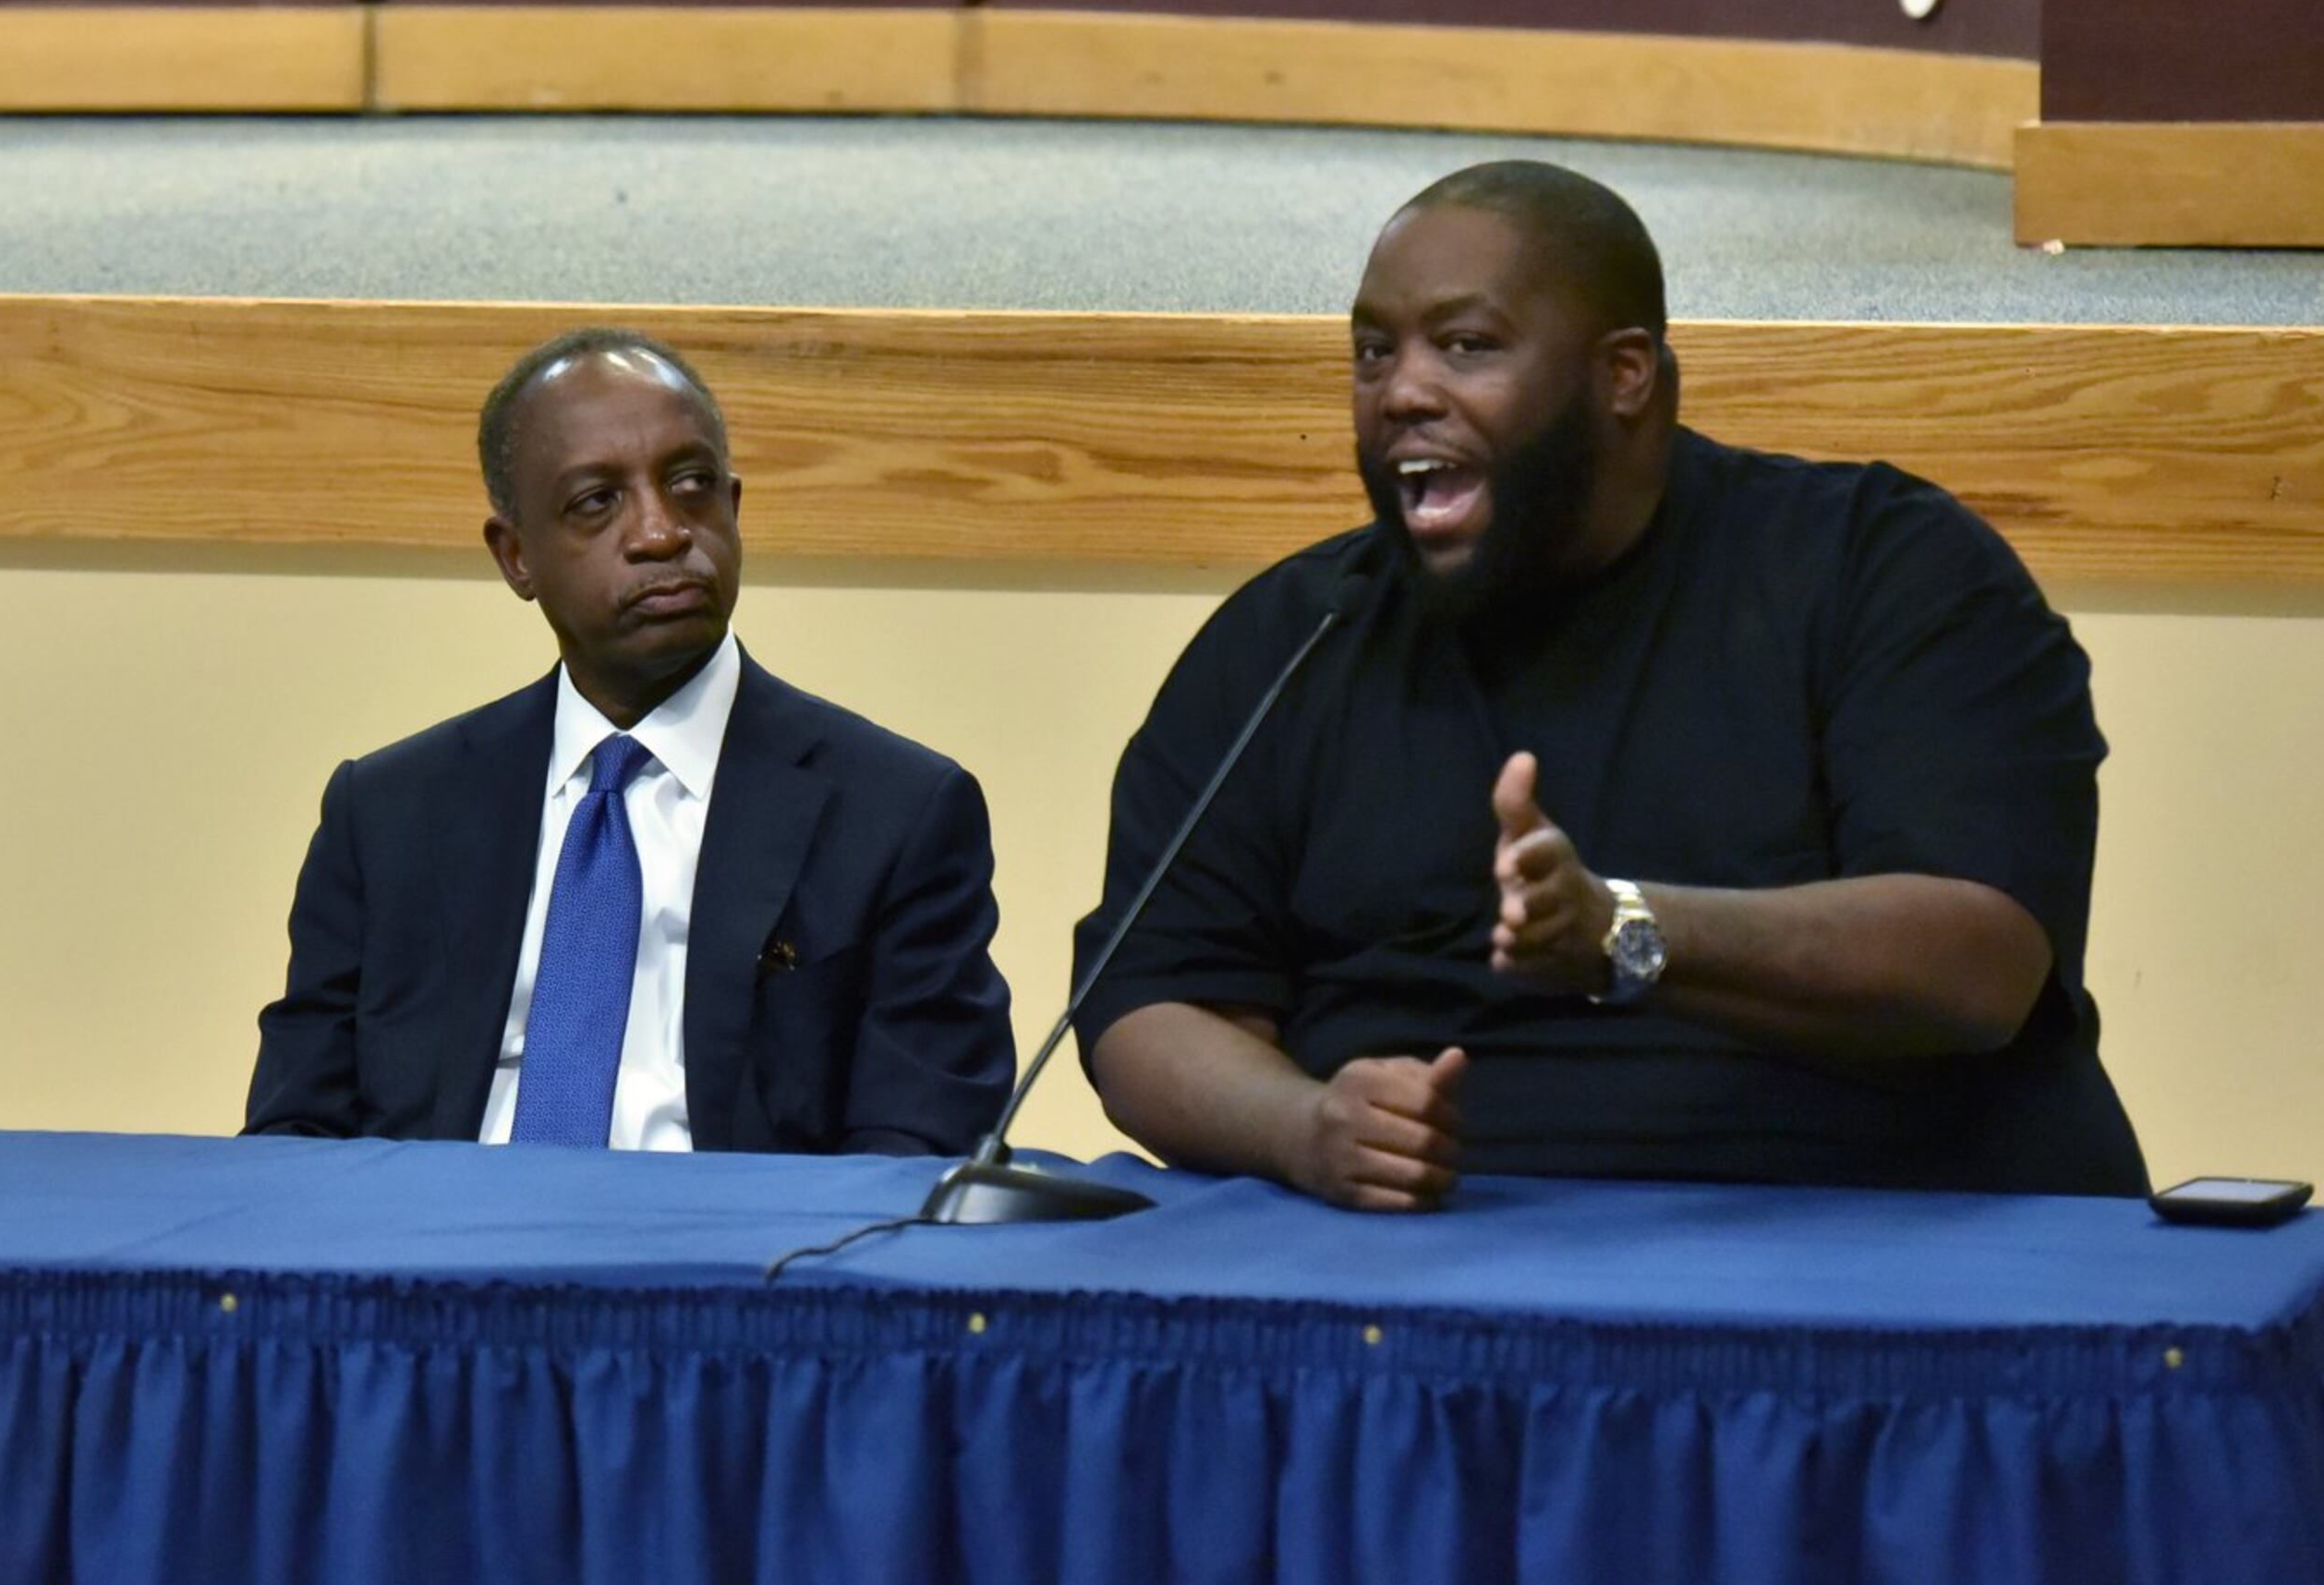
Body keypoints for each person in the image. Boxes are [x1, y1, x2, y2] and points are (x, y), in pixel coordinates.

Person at [1074, 161, 2147, 1205]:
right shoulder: (1297, 632)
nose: (1402, 389)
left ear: (1623, 372)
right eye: (1372, 351)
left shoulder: (1883, 569)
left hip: (1859, 1237)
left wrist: (1625, 930)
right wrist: (1306, 1129)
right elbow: (1149, 1000)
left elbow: (1977, 963)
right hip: (1412, 1273)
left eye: (1466, 345)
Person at [246, 329, 1015, 1155]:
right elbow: (295, 1137)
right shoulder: (388, 814)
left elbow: (914, 1160)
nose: (660, 533)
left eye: (691, 486)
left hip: (733, 1266)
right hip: (436, 1254)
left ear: (734, 508)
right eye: (596, 502)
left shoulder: (896, 812)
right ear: (516, 557)